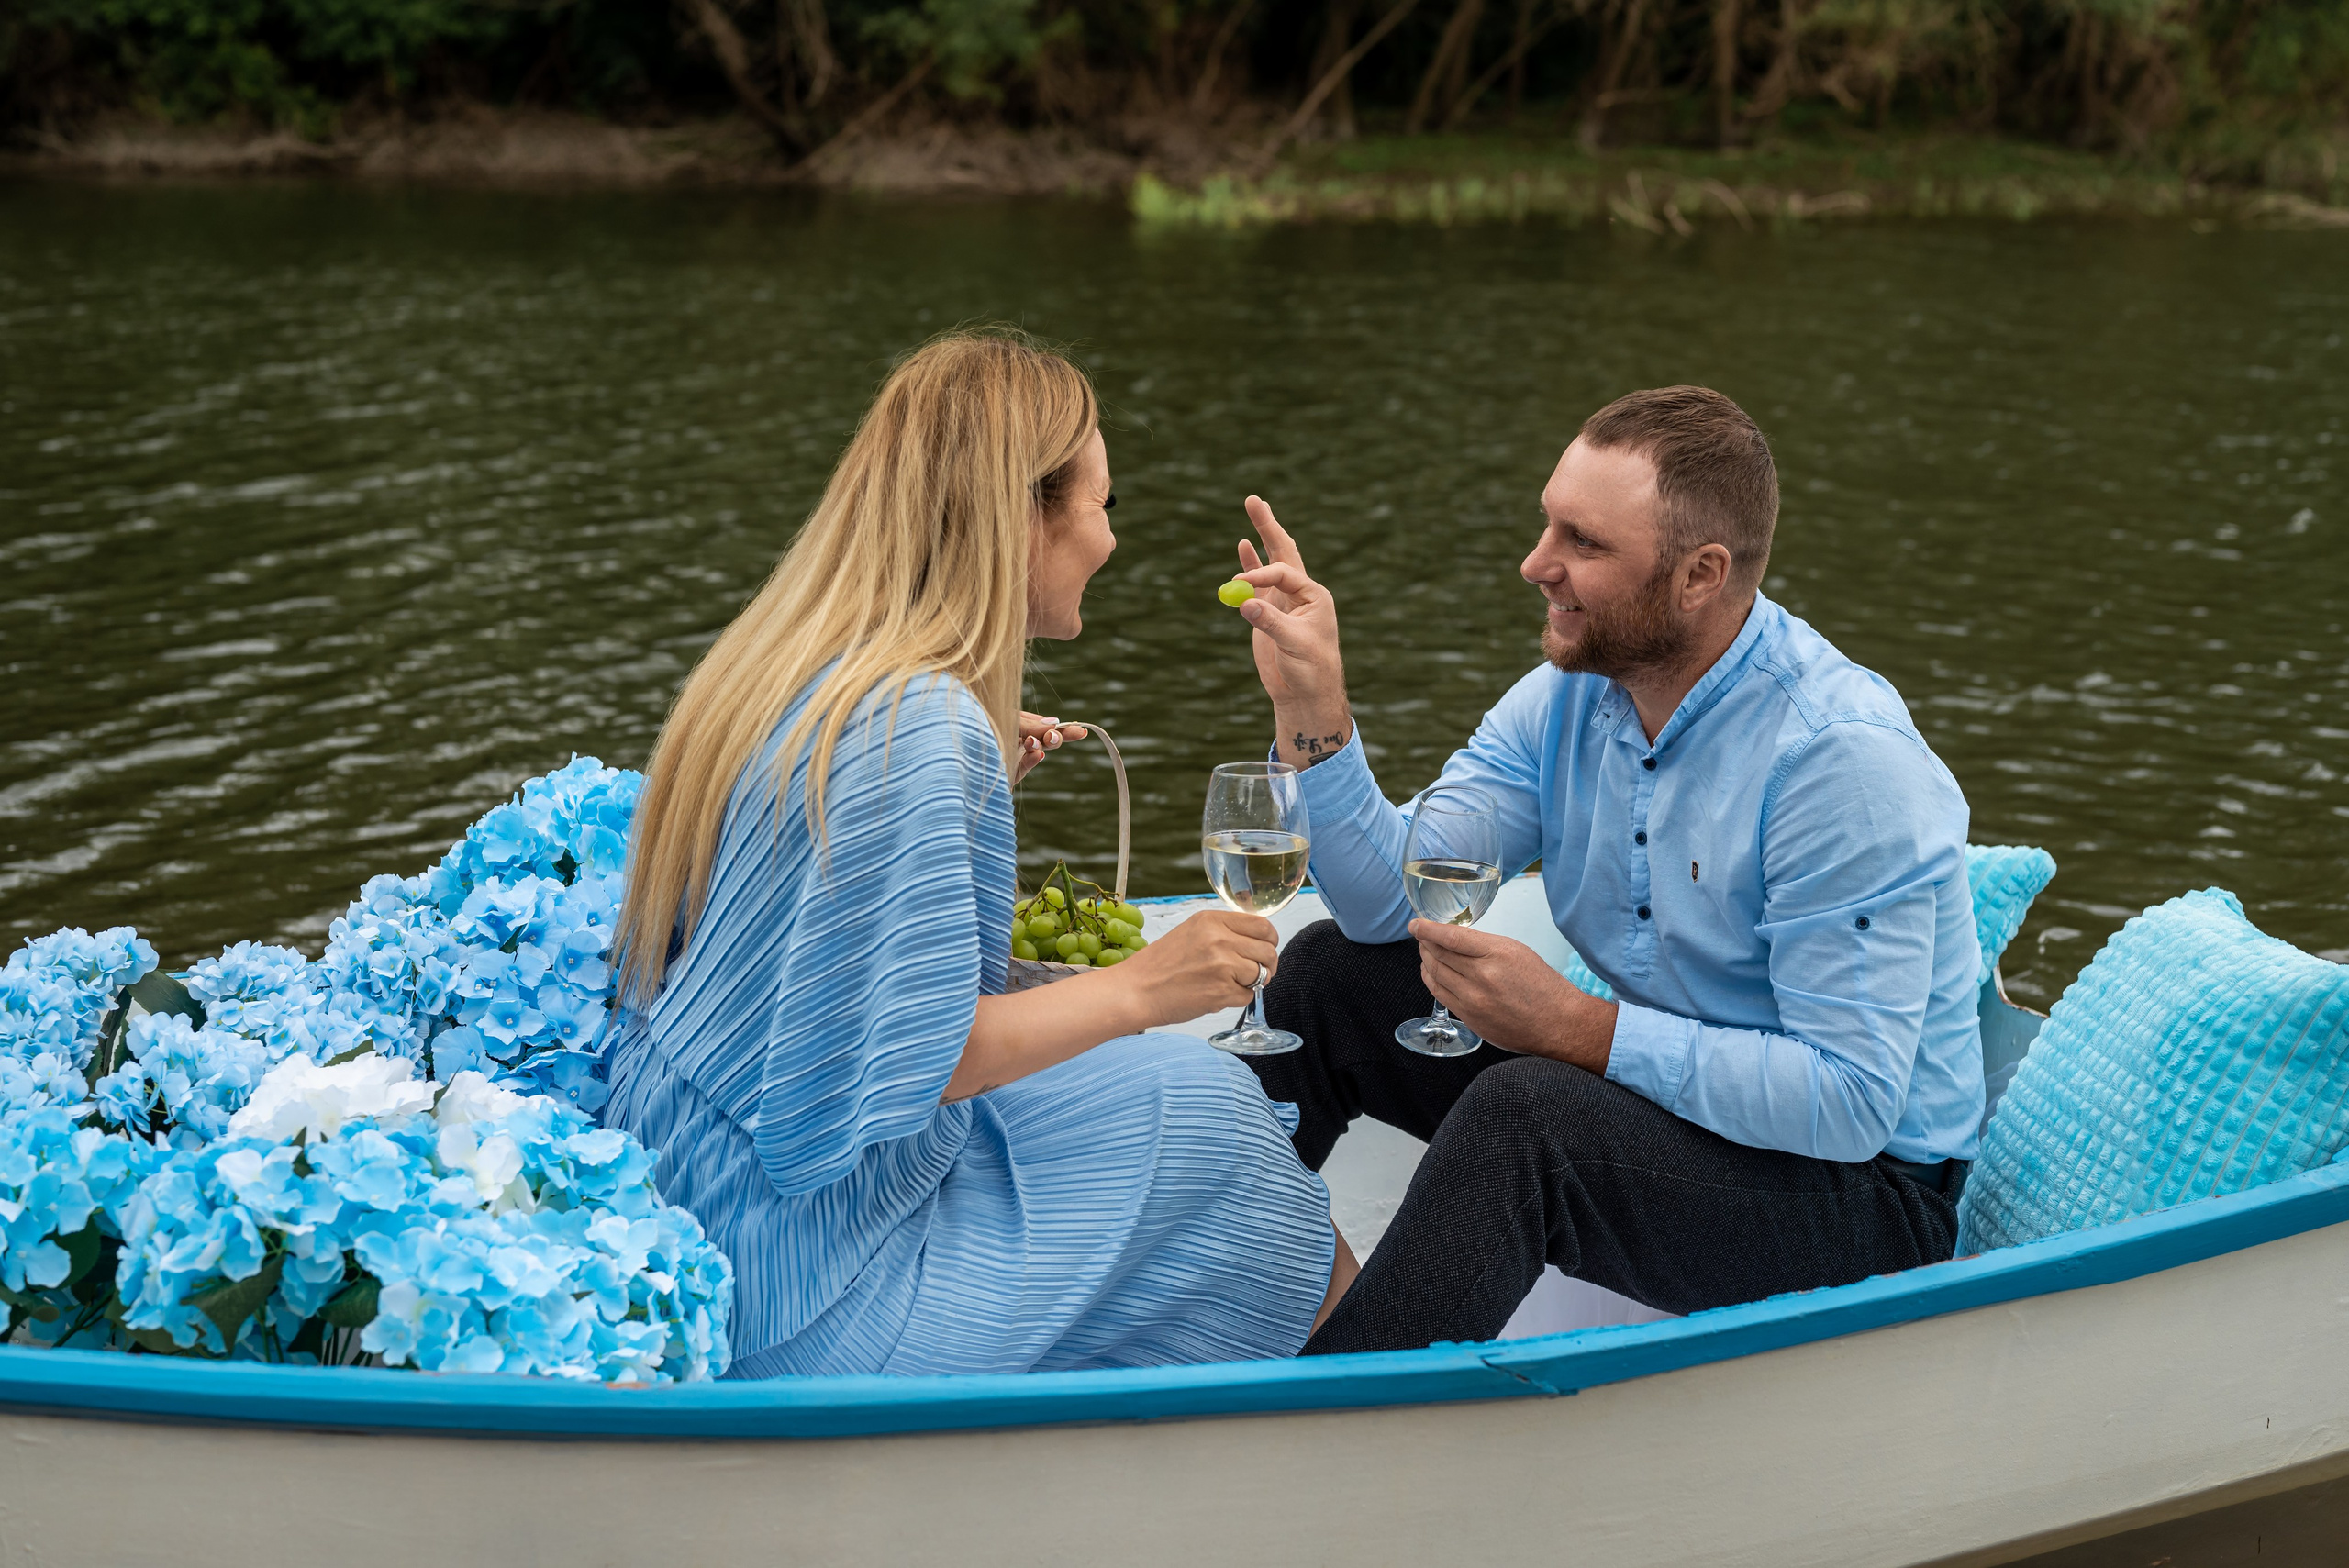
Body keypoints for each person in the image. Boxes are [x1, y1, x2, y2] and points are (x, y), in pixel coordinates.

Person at [605, 329, 1354, 1378]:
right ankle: (1380, 1398)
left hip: (693, 1188)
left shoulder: (800, 665)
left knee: (1192, 1090)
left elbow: (811, 956)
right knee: (1218, 1126)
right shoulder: (923, 726)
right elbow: (923, 1060)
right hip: (809, 1278)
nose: (1109, 539)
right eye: (1102, 503)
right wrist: (1146, 983)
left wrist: (957, 807)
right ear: (1024, 516)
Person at [1229, 385, 1984, 1355]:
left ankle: (1327, 1423)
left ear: (1699, 575)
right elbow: (1385, 906)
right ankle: (1181, 1310)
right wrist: (1314, 711)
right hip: (1671, 1116)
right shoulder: (1568, 697)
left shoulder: (1840, 763)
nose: (1535, 563)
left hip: (1862, 1198)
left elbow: (1848, 1103)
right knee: (1332, 973)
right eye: (1549, 523)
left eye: (1582, 542)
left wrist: (1581, 1029)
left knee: (1525, 1117)